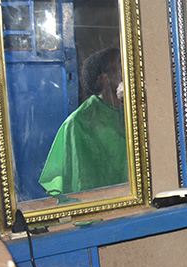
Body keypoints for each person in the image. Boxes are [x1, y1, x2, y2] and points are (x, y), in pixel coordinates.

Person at [39, 47, 127, 196]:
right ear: (103, 78)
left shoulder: (131, 113)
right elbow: (80, 181)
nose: (125, 73)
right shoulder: (80, 122)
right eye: (119, 67)